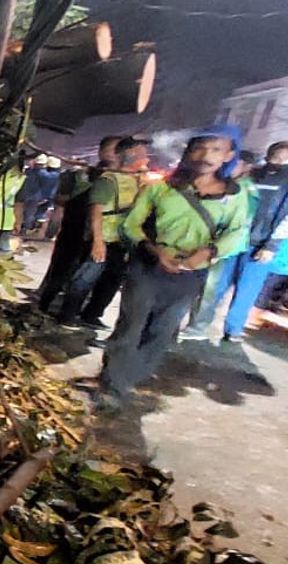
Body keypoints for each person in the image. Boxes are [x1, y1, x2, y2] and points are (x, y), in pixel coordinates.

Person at [97, 126, 249, 408]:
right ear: (189, 153)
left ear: (229, 154)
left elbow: (238, 234)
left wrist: (208, 252)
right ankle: (112, 383)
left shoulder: (235, 196)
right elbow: (131, 225)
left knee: (163, 330)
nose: (206, 155)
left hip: (191, 273)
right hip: (148, 266)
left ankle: (129, 377)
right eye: (199, 148)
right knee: (131, 324)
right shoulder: (160, 188)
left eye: (216, 149)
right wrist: (155, 251)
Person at [184, 141, 288, 342]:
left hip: (259, 243)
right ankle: (199, 326)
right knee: (214, 285)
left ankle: (233, 329)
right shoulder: (250, 176)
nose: (280, 162)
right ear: (268, 156)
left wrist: (271, 246)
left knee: (247, 289)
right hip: (232, 240)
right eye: (277, 157)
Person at [58, 137, 151, 328]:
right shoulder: (108, 180)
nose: (145, 158)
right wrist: (97, 241)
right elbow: (96, 210)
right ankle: (67, 315)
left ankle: (92, 315)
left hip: (122, 241)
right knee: (85, 279)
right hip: (103, 238)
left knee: (111, 281)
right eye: (140, 154)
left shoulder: (139, 181)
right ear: (127, 154)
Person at [37, 136, 122, 314]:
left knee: (86, 278)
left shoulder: (122, 181)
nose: (115, 154)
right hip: (74, 231)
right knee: (61, 271)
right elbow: (60, 200)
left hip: (99, 235)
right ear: (101, 151)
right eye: (112, 149)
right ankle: (44, 306)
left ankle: (75, 311)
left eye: (119, 150)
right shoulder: (79, 175)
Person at [17, 154, 61, 235]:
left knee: (29, 212)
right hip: (42, 197)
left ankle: (27, 227)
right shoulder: (51, 175)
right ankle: (29, 227)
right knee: (34, 213)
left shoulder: (30, 171)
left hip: (30, 195)